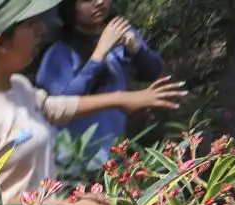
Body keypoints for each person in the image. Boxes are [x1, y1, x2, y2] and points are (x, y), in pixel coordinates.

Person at [0, 0, 184, 203]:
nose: (41, 30)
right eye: (30, 24)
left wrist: (123, 99)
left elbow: (55, 107)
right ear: (1, 42)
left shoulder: (19, 88)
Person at [37, 0, 166, 165]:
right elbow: (61, 106)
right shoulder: (59, 53)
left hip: (115, 157)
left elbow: (152, 72)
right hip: (73, 163)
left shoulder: (120, 34)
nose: (99, 2)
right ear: (70, 7)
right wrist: (99, 54)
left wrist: (137, 50)